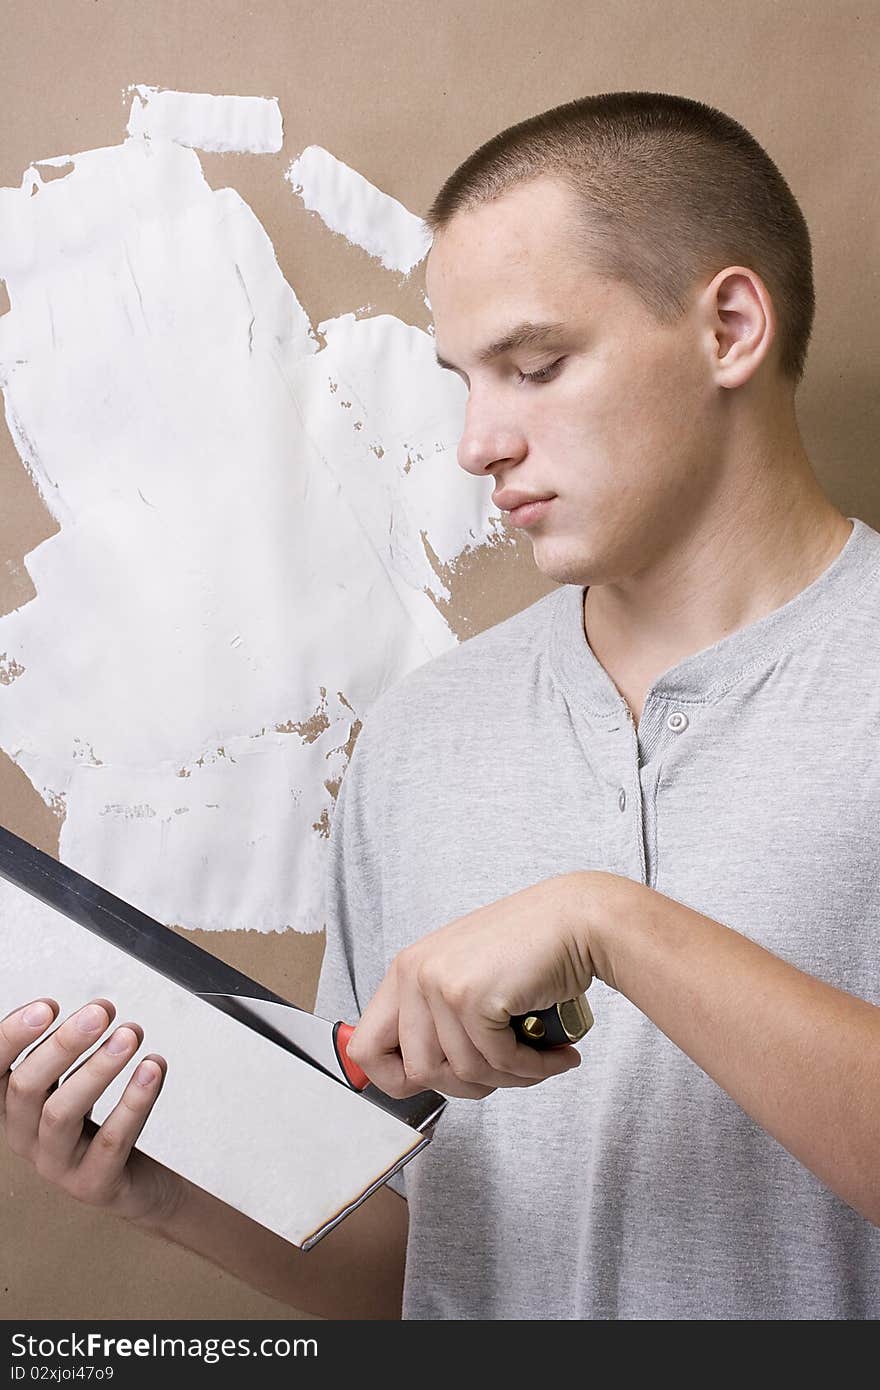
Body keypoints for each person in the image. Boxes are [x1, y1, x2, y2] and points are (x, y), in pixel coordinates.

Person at [2, 90, 878, 1320]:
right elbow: (436, 1270)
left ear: (729, 327)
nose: (476, 443)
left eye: (534, 366)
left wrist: (611, 924)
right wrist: (168, 1191)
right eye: (463, 379)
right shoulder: (418, 741)